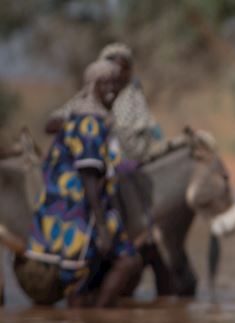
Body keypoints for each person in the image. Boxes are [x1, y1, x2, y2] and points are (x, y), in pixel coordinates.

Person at [15, 60, 142, 307]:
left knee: (127, 262)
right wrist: (103, 228)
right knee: (81, 287)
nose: (112, 89)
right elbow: (88, 176)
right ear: (92, 85)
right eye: (106, 82)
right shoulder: (89, 122)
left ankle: (94, 317)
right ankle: (92, 318)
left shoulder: (98, 119)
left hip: (94, 208)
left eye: (116, 83)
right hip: (75, 212)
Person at [47, 43, 162, 165]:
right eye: (113, 68)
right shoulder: (87, 98)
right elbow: (53, 123)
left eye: (123, 69)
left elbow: (141, 139)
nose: (118, 73)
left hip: (128, 162)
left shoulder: (133, 97)